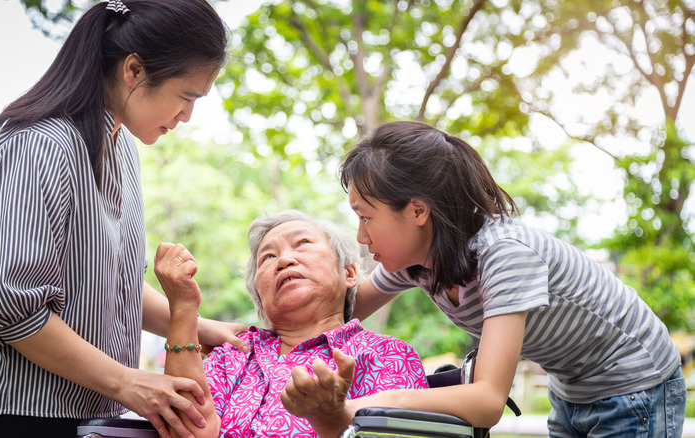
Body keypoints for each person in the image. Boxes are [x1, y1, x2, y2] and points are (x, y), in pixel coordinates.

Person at [0, 2, 249, 438]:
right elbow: (12, 310)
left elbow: (112, 284)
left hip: (87, 420)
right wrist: (129, 383)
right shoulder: (38, 146)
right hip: (13, 418)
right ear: (134, 70)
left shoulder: (120, 149)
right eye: (186, 96)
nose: (187, 117)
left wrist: (203, 327)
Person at [280, 121, 686, 438]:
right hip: (571, 385)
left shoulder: (505, 255)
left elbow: (489, 399)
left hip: (634, 383)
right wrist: (240, 332)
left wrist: (365, 404)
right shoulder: (413, 259)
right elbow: (331, 313)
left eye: (366, 216)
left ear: (418, 211)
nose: (360, 236)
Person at [153, 209, 429, 437]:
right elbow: (187, 431)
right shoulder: (232, 354)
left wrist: (333, 419)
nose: (284, 260)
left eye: (303, 244)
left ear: (348, 273)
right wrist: (184, 308)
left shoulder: (386, 355)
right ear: (259, 299)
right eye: (268, 257)